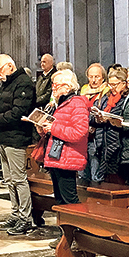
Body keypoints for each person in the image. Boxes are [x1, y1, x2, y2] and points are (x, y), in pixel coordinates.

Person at [0, 54, 37, 235]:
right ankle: (15, 214)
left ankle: (26, 218)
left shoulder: (23, 83)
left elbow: (19, 111)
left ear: (10, 66)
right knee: (9, 179)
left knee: (19, 179)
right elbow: (1, 107)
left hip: (16, 137)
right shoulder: (6, 83)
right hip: (3, 136)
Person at [37, 69, 89, 204]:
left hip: (68, 158)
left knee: (69, 199)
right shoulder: (59, 103)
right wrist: (42, 128)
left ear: (68, 86)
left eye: (56, 85)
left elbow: (79, 132)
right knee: (59, 199)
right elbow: (57, 127)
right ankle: (64, 225)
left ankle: (77, 225)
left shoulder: (77, 103)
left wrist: (53, 128)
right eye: (53, 84)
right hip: (56, 156)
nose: (53, 87)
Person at [91, 67, 129, 184]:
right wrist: (98, 119)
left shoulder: (125, 99)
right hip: (102, 144)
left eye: (115, 84)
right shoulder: (106, 98)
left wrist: (109, 119)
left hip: (117, 145)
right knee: (104, 180)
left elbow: (125, 119)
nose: (112, 88)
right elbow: (91, 119)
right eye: (110, 84)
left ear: (123, 84)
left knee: (116, 181)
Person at [81, 63, 109, 183]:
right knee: (82, 174)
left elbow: (102, 114)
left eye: (97, 77)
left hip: (96, 138)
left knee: (95, 175)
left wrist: (87, 120)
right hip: (82, 137)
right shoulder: (83, 92)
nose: (93, 80)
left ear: (103, 78)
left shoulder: (106, 93)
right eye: (91, 77)